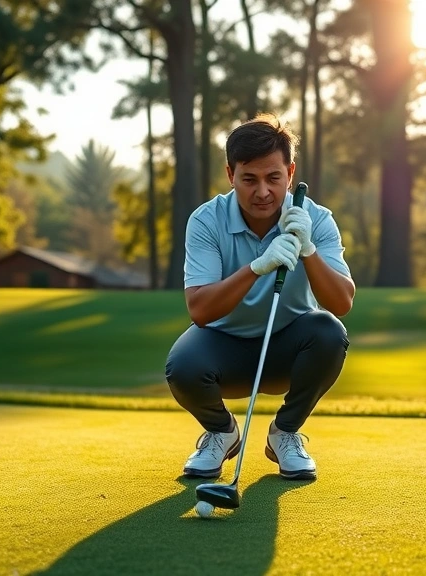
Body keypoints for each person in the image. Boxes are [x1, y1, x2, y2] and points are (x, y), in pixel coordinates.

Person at [165, 113, 355, 481]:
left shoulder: (316, 218)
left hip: (290, 349)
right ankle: (221, 432)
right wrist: (256, 267)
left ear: (290, 172)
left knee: (329, 332)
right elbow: (199, 310)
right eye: (249, 179)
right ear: (230, 174)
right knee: (183, 365)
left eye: (274, 178)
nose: (263, 192)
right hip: (224, 347)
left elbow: (342, 303)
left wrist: (308, 249)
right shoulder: (206, 220)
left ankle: (285, 433)